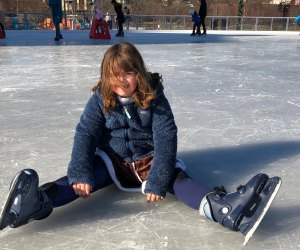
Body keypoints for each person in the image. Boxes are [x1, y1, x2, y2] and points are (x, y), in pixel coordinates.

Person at [0, 42, 281, 245]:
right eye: (113, 75)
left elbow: (166, 136)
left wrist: (158, 179)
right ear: (105, 76)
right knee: (76, 182)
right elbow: (85, 135)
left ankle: (224, 210)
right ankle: (37, 203)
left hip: (149, 159)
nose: (121, 81)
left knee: (178, 180)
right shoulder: (100, 99)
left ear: (139, 73)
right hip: (112, 160)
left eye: (128, 73)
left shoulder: (154, 98)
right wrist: (81, 173)